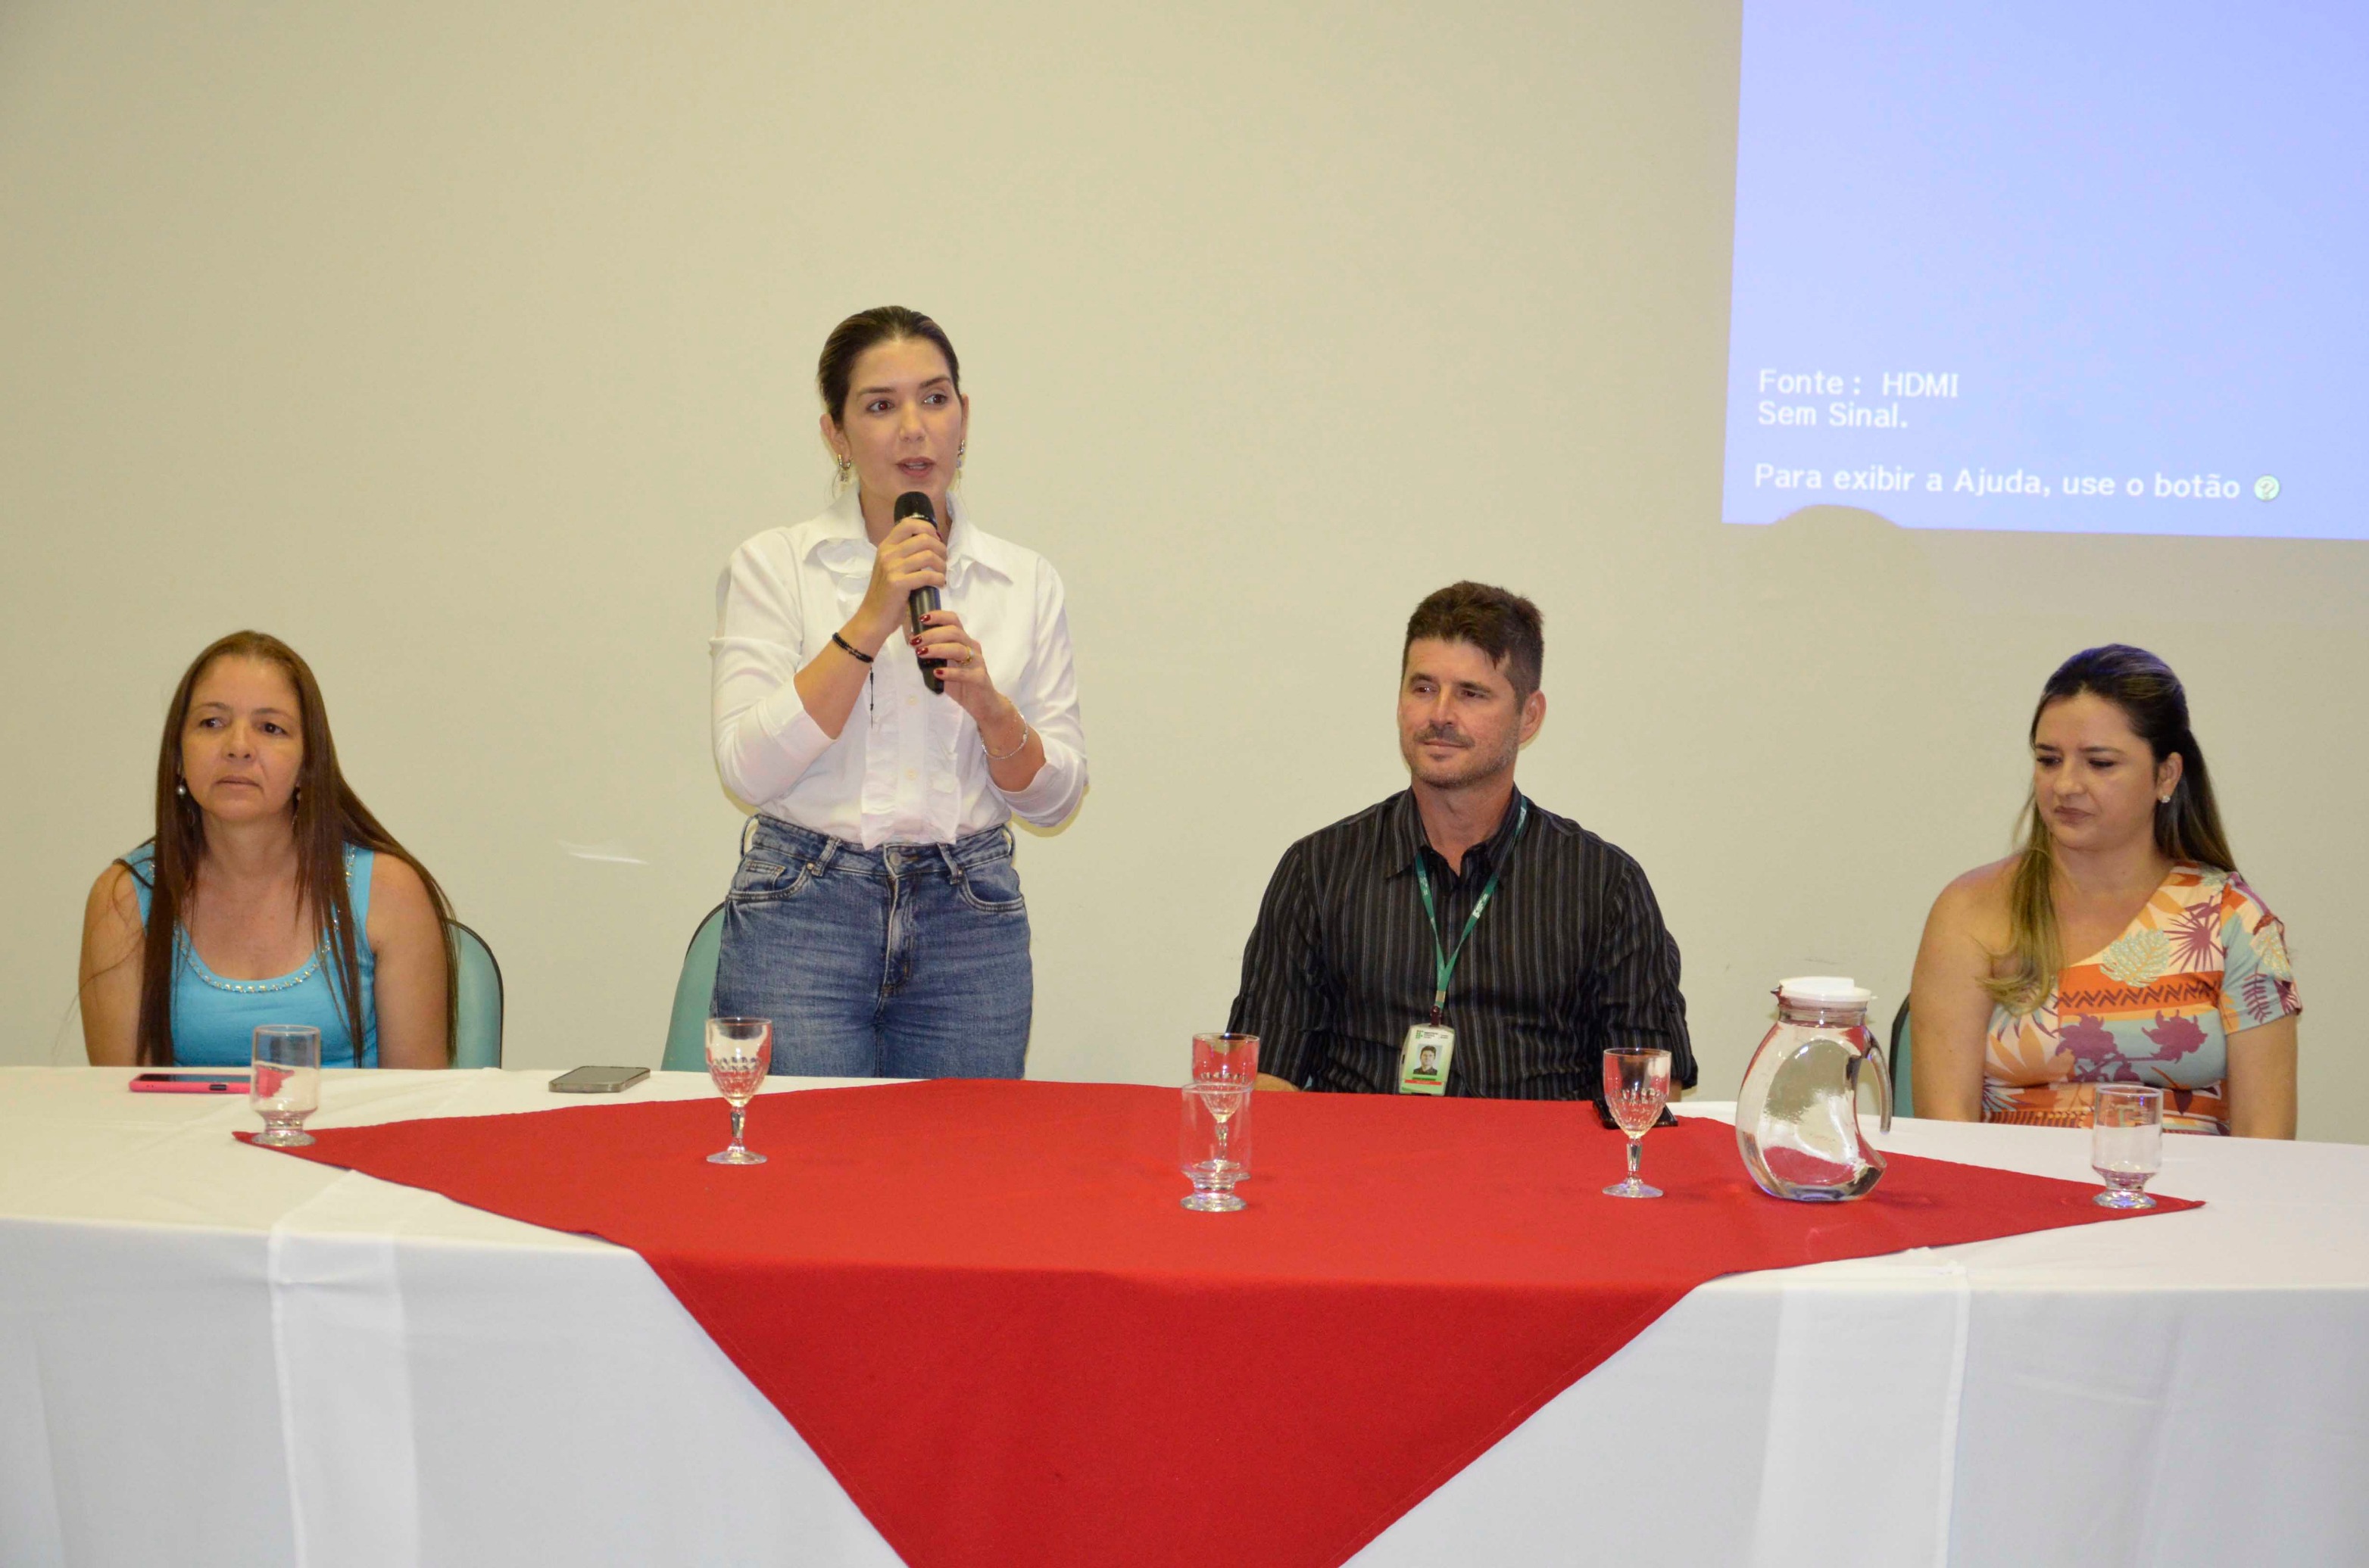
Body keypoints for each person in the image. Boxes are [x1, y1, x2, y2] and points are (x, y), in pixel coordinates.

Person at [709, 307, 1086, 1077]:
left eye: (935, 399)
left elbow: (1056, 800)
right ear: (837, 435)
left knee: (962, 1152)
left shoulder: (1023, 580)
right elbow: (747, 770)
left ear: (963, 417)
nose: (915, 429)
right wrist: (870, 618)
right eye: (881, 406)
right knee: (803, 1148)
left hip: (969, 917)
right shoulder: (774, 566)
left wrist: (991, 710)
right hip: (804, 909)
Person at [1227, 582, 1694, 1100]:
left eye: (1471, 693)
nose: (1440, 715)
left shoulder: (1604, 886)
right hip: (1363, 1151)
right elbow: (1266, 1076)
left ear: (1529, 716)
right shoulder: (1317, 870)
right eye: (1423, 688)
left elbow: (1649, 1092)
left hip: (1537, 1153)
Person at [1909, 644, 2298, 1136]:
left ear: (2166, 775)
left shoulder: (2235, 920)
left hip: (2192, 1185)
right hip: (2016, 1184)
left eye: (2100, 763)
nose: (2066, 785)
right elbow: (1947, 1130)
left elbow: (2267, 1140)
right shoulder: (1971, 909)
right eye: (2049, 760)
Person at [79, 631, 457, 1068]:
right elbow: (123, 1100)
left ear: (307, 764)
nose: (238, 747)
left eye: (270, 728)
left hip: (354, 1119)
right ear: (178, 756)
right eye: (212, 723)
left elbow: (418, 1099)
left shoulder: (389, 892)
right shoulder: (124, 900)